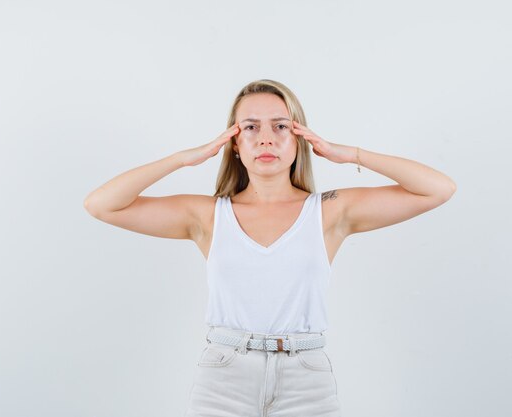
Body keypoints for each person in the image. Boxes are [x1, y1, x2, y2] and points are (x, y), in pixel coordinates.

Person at [83, 79, 456, 417]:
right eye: (250, 127)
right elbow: (102, 204)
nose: (265, 138)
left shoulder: (328, 212)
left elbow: (437, 188)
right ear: (233, 143)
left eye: (280, 126)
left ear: (300, 138)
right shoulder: (208, 215)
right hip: (224, 378)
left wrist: (350, 154)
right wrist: (185, 158)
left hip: (306, 379)